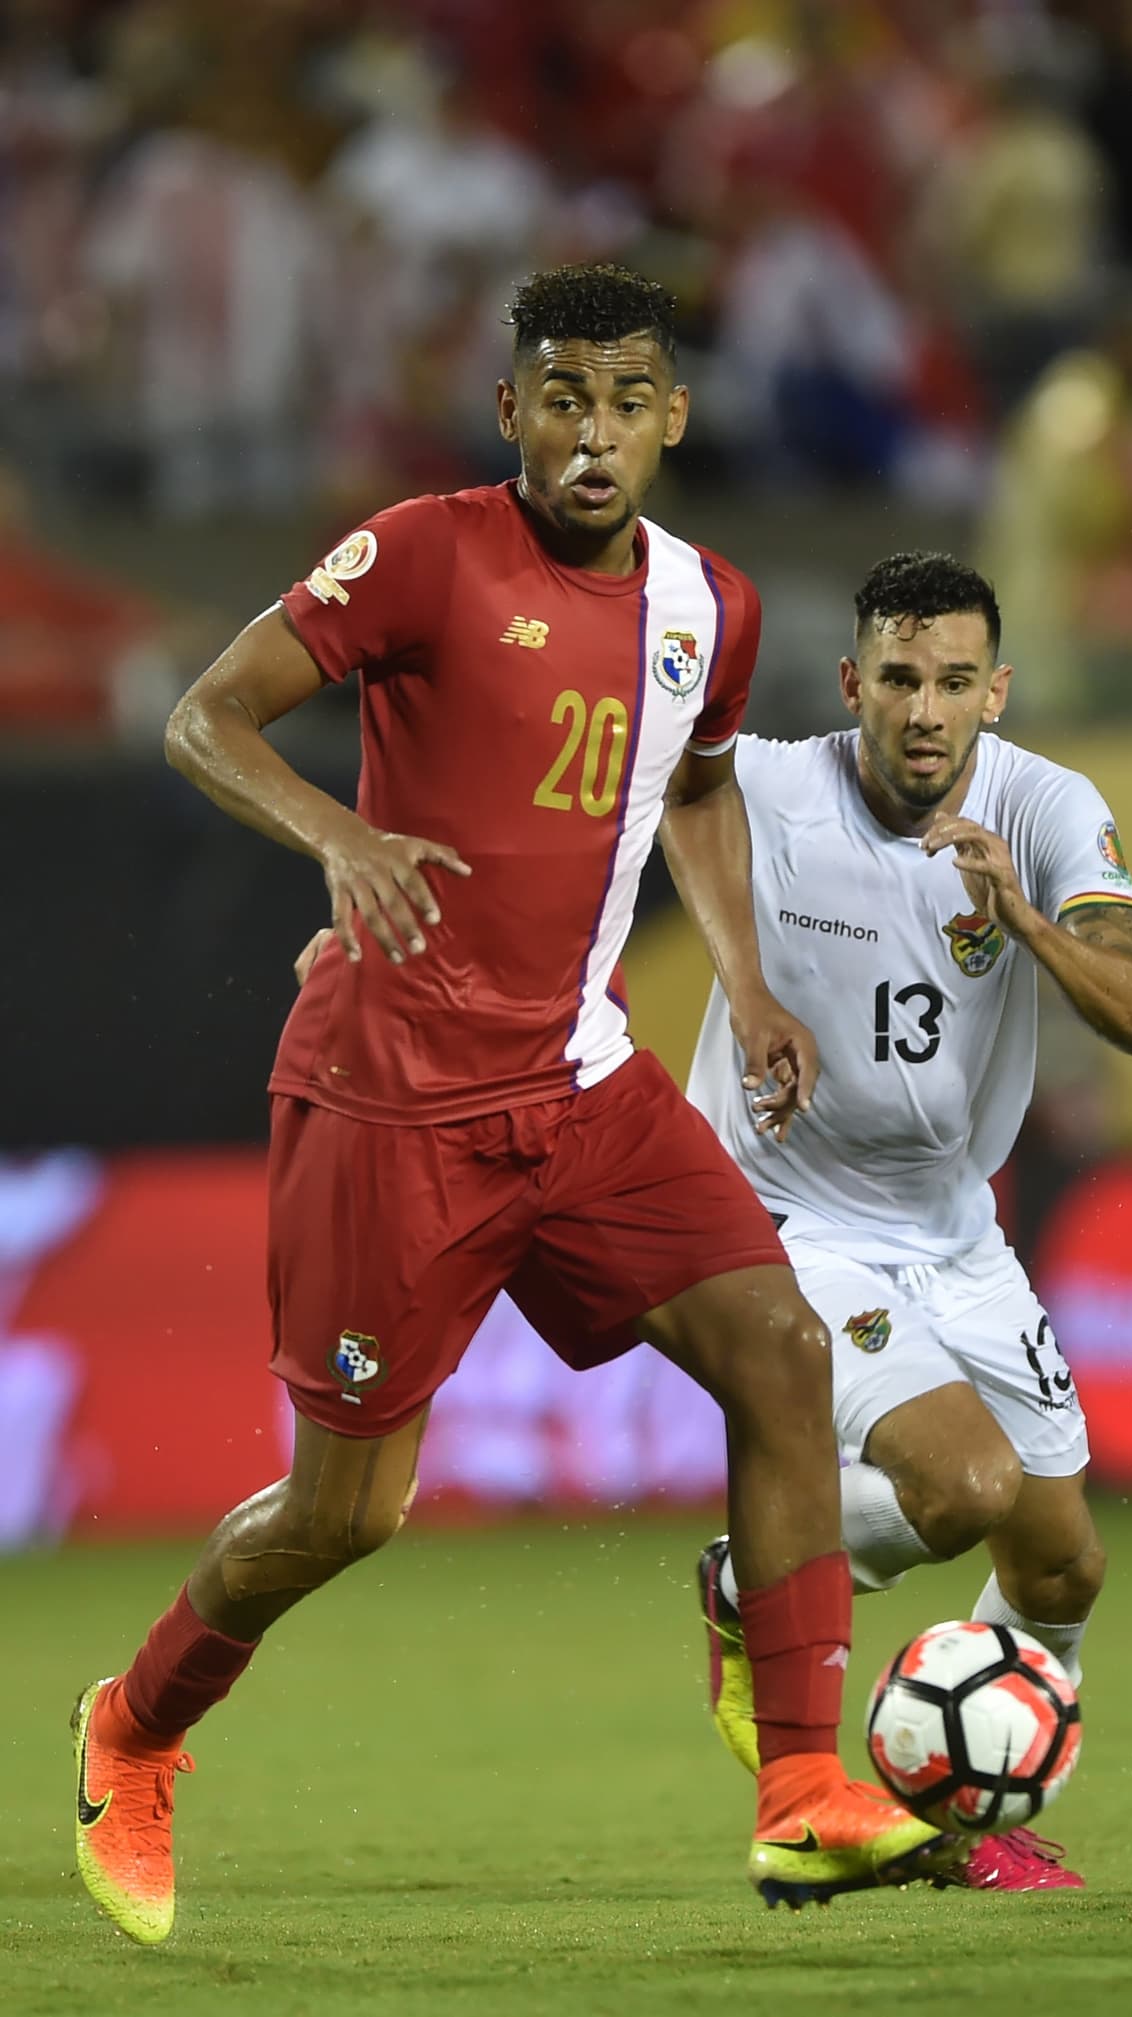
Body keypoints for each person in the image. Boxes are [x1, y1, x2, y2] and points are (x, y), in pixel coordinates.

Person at [70, 266, 959, 1949]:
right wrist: (338, 836)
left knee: (783, 1355)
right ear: (513, 414)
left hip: (581, 1076)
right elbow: (206, 715)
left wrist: (753, 982)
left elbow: (689, 788)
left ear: (675, 418)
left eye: (629, 398)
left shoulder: (717, 606)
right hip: (393, 1099)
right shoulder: (420, 551)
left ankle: (798, 1795)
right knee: (349, 1515)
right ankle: (137, 1723)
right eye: (564, 396)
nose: (596, 431)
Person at [686, 550, 1132, 1891]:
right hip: (793, 1223)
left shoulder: (1047, 805)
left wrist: (1020, 912)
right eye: (898, 678)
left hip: (960, 1236)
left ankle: (973, 1818)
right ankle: (749, 1580)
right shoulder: (774, 787)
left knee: (1064, 1561)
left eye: (955, 680)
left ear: (996, 692)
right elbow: (639, 814)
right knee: (963, 1487)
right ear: (854, 684)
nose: (924, 710)